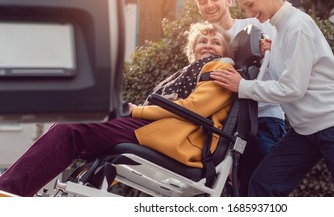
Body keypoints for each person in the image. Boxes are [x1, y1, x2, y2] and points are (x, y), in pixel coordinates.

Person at [0, 22, 236, 197]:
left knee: (74, 128)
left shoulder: (220, 68)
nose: (208, 45)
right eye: (202, 41)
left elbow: (194, 108)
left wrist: (136, 112)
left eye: (216, 42)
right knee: (75, 123)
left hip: (179, 139)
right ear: (192, 49)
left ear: (225, 51)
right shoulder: (187, 72)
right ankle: (11, 190)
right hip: (158, 127)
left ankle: (7, 191)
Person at [210, 0, 334, 197]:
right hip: (305, 130)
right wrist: (273, 49)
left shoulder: (297, 26)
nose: (248, 12)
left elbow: (292, 88)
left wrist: (243, 86)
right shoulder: (279, 31)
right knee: (262, 184)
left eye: (249, 4)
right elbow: (285, 72)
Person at [195, 0, 286, 196]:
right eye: (203, 1)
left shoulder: (254, 24)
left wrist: (271, 51)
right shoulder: (207, 41)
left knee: (258, 191)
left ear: (228, 0)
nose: (209, 4)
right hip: (224, 131)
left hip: (262, 121)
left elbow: (282, 64)